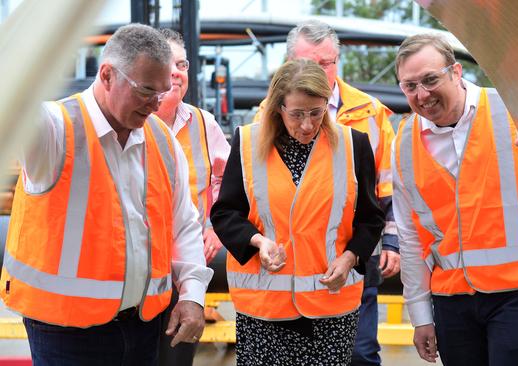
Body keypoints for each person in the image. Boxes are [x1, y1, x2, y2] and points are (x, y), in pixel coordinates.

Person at [0, 24, 213, 365]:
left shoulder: (161, 140)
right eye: (146, 90)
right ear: (107, 75)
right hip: (65, 334)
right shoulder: (54, 131)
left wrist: (192, 295)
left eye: (162, 92)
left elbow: (184, 225)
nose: (155, 104)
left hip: (144, 326)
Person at [212, 58, 384, 365]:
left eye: (316, 113)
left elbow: (371, 219)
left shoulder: (353, 145)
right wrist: (258, 242)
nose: (307, 125)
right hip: (264, 310)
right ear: (279, 107)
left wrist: (350, 257)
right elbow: (225, 213)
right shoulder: (247, 143)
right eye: (297, 114)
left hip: (330, 308)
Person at [392, 33, 518, 365]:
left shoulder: (513, 112)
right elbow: (410, 236)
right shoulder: (403, 143)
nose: (422, 94)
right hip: (451, 301)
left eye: (430, 79)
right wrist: (420, 315)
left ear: (456, 72)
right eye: (410, 86)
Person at [255, 20, 399, 365]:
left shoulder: (370, 112)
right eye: (309, 62)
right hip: (291, 264)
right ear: (289, 64)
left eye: (327, 62)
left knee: (359, 355)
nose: (320, 71)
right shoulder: (268, 116)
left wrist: (391, 242)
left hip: (352, 256)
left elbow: (390, 185)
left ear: (338, 61)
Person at [154, 28, 231, 366]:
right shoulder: (128, 122)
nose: (177, 73)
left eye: (182, 65)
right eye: (168, 65)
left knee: (175, 356)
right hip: (137, 268)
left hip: (185, 267)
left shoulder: (203, 123)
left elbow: (231, 185)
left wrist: (215, 227)